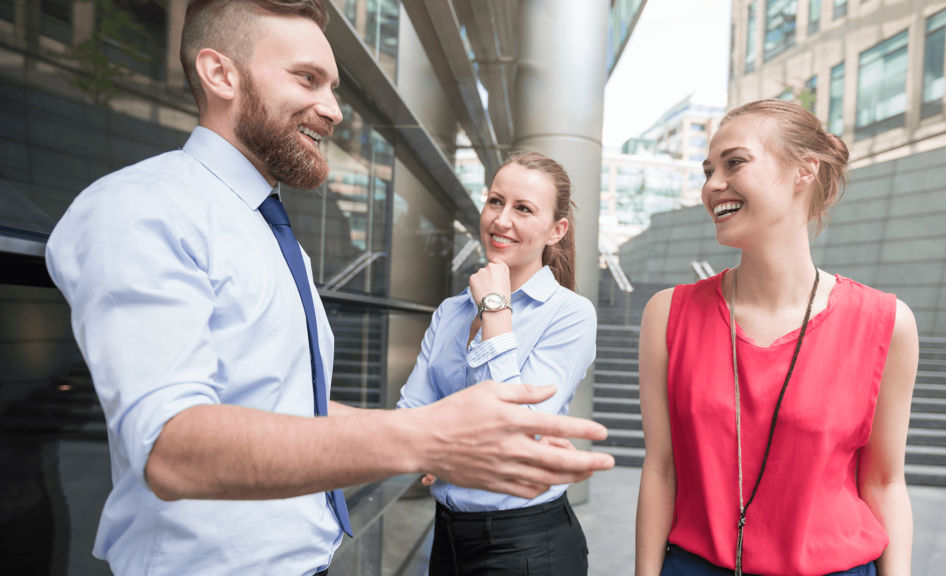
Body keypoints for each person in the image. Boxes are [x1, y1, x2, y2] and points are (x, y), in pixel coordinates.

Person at [43, 1, 613, 575]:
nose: (335, 110)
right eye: (307, 78)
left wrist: (441, 434)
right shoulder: (145, 207)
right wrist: (429, 436)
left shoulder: (266, 228)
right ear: (220, 74)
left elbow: (287, 408)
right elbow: (169, 446)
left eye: (334, 86)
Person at [635, 99, 918, 576]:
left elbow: (885, 483)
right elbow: (661, 468)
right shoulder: (668, 313)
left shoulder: (886, 322)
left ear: (804, 172)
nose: (712, 185)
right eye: (708, 170)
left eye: (735, 162)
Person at [396, 151, 595, 575]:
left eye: (523, 209)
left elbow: (515, 429)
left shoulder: (570, 314)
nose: (502, 220)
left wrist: (495, 308)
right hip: (448, 537)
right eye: (495, 201)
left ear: (556, 230)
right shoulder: (450, 310)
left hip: (526, 546)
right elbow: (410, 419)